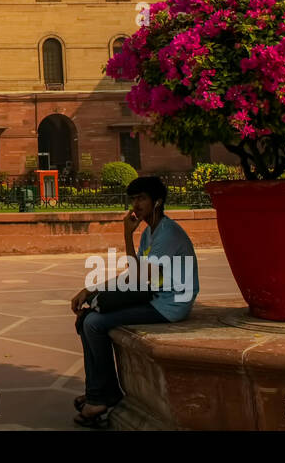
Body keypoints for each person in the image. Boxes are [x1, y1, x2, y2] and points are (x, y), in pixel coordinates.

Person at [69, 175, 199, 427]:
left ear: (157, 201)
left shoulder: (167, 234)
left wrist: (127, 235)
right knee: (88, 318)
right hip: (154, 295)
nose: (135, 205)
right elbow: (133, 275)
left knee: (94, 323)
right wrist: (90, 289)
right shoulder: (150, 232)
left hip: (170, 304)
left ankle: (102, 396)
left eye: (141, 198)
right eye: (133, 199)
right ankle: (100, 392)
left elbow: (140, 277)